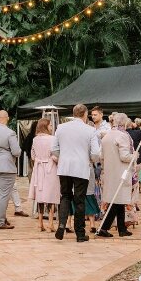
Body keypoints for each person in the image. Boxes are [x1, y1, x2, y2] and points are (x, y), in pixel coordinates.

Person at [51, 104, 101, 243]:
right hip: (81, 167)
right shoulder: (90, 130)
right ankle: (80, 233)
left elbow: (54, 149)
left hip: (65, 167)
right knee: (80, 200)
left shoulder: (61, 128)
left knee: (65, 196)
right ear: (85, 114)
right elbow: (96, 153)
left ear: (73, 114)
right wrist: (90, 160)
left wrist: (63, 157)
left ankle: (61, 225)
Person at [97, 113, 135, 238]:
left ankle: (122, 229)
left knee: (118, 200)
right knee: (117, 201)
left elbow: (101, 157)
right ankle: (104, 227)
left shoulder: (106, 136)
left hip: (109, 173)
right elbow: (124, 156)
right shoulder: (122, 136)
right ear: (124, 123)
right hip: (121, 173)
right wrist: (134, 156)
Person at [28, 118, 59, 232]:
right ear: (45, 126)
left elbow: (32, 155)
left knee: (40, 196)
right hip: (50, 168)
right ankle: (50, 223)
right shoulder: (53, 139)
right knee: (51, 195)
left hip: (39, 168)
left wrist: (39, 159)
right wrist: (57, 160)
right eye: (50, 125)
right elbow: (55, 155)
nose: (51, 127)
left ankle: (40, 222)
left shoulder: (35, 139)